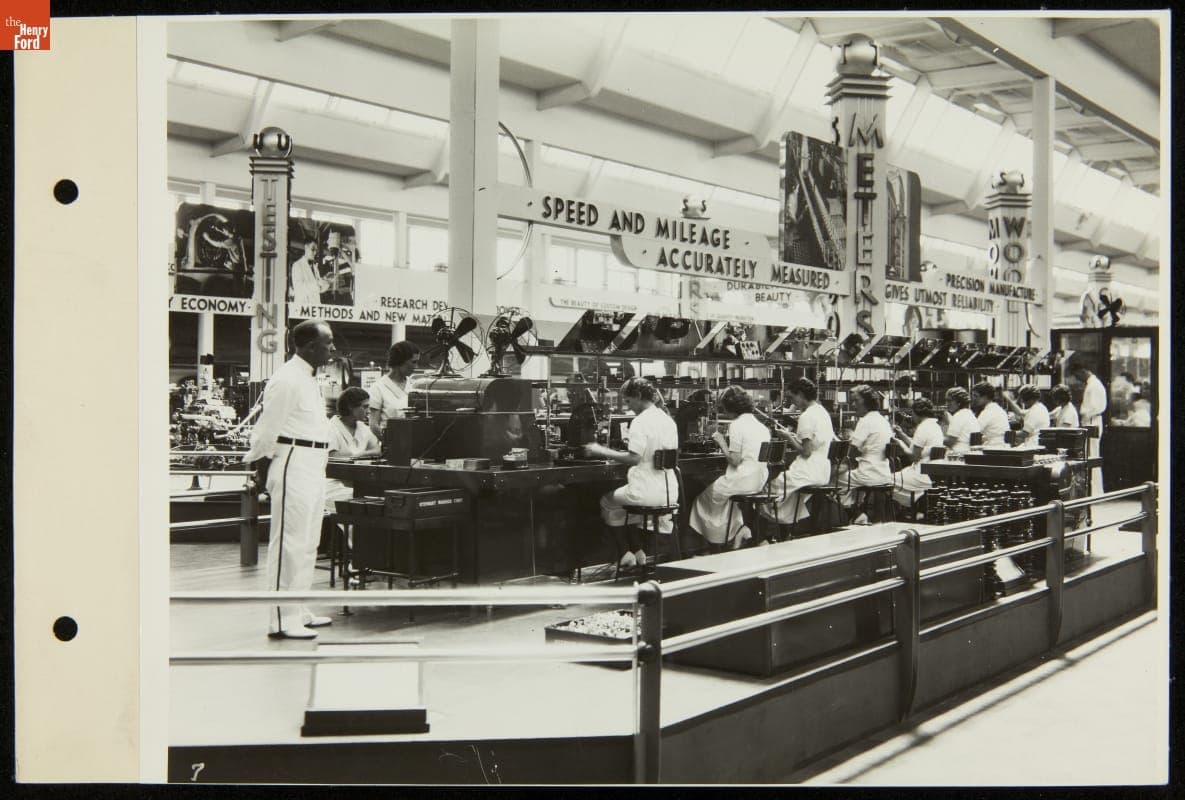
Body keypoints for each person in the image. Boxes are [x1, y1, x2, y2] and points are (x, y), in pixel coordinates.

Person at [242, 320, 337, 639]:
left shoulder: (308, 378)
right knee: (290, 542)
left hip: (313, 462)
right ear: (310, 346)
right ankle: (282, 618)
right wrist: (260, 469)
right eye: (328, 343)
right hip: (293, 460)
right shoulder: (286, 379)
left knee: (309, 542)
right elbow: (268, 428)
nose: (332, 348)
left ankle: (297, 607)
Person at [584, 378, 679, 571]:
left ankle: (625, 554)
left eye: (628, 401)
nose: (629, 407)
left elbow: (634, 458)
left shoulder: (640, 421)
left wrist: (600, 450)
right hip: (669, 492)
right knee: (626, 508)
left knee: (607, 502)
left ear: (637, 396)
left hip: (645, 492)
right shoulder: (668, 420)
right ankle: (637, 552)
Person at [688, 386, 770, 551]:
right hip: (759, 481)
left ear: (730, 408)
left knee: (703, 500)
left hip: (742, 480)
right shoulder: (761, 426)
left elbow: (734, 460)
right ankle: (742, 530)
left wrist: (721, 441)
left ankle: (712, 544)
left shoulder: (737, 425)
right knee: (728, 503)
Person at [762, 377, 836, 530]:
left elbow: (806, 452)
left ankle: (768, 532)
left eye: (792, 397)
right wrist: (796, 438)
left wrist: (788, 437)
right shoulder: (822, 412)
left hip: (807, 471)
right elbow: (814, 443)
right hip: (822, 471)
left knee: (765, 489)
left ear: (801, 394)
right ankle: (788, 528)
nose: (792, 402)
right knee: (784, 491)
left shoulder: (806, 416)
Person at [838, 385, 893, 523]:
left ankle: (855, 513)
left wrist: (841, 466)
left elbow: (853, 450)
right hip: (883, 473)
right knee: (851, 481)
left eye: (856, 401)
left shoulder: (865, 421)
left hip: (869, 474)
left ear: (865, 401)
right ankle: (858, 511)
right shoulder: (883, 420)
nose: (854, 404)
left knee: (832, 480)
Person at [890, 397, 944, 508]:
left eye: (912, 413)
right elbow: (918, 447)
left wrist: (900, 443)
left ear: (916, 413)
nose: (912, 416)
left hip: (921, 474)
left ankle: (889, 515)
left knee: (884, 480)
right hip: (931, 473)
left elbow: (913, 456)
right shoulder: (934, 426)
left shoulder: (923, 428)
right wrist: (902, 435)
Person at [1070, 359, 1107, 494]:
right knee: (1090, 455)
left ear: (1083, 371)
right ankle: (1092, 489)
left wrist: (1083, 414)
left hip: (1092, 421)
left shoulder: (1094, 386)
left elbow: (1094, 408)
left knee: (1092, 456)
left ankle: (1095, 490)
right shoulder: (1092, 384)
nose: (1077, 379)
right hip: (1090, 421)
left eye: (1077, 375)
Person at [368, 340, 420, 437]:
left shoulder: (413, 386)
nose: (416, 366)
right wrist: (390, 443)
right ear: (400, 361)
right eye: (413, 362)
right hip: (390, 445)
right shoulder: (378, 388)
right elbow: (373, 425)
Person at [289, 240, 328, 310]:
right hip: (302, 308)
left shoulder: (315, 268)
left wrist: (327, 282)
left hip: (315, 308)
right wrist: (318, 284)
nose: (315, 253)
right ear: (306, 247)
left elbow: (319, 290)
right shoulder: (297, 265)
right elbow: (299, 289)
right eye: (313, 249)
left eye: (316, 250)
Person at [943, 387, 980, 454]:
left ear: (959, 402)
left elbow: (949, 442)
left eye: (949, 401)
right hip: (967, 452)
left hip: (959, 454)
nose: (947, 404)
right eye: (946, 401)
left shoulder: (959, 416)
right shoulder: (968, 413)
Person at [971, 382, 1009, 447]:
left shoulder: (988, 412)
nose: (973, 399)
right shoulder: (998, 409)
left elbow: (974, 431)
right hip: (1002, 446)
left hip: (993, 449)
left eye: (976, 396)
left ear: (985, 397)